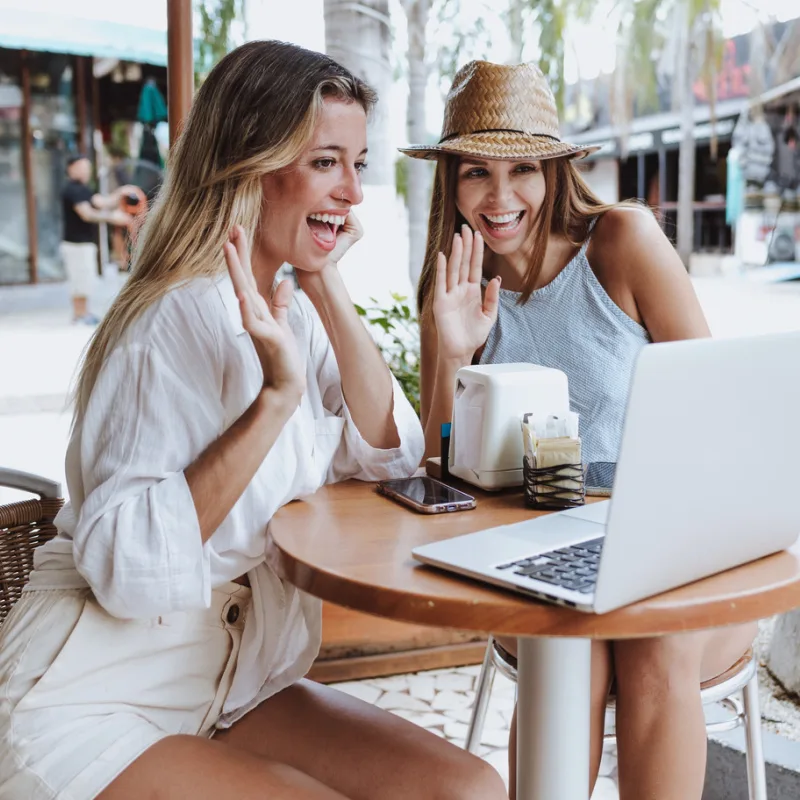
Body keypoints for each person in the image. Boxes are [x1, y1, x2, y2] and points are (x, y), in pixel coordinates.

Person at [0, 42, 507, 800]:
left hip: (232, 682)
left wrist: (324, 281)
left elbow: (392, 454)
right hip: (97, 699)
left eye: (358, 164)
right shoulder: (167, 323)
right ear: (253, 162)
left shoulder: (293, 312)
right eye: (327, 162)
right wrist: (275, 400)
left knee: (464, 789)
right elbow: (128, 573)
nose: (353, 192)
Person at [403, 59, 757, 800]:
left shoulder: (621, 241)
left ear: (554, 172)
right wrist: (453, 350)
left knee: (650, 647)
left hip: (675, 551)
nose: (498, 199)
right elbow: (442, 475)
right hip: (542, 559)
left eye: (522, 170)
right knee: (571, 654)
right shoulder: (454, 284)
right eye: (475, 173)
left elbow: (718, 408)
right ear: (452, 183)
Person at [60, 154, 133, 323]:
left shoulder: (84, 189)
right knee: (79, 280)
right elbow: (87, 214)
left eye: (87, 167)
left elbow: (102, 202)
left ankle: (83, 312)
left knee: (85, 279)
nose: (86, 171)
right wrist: (112, 218)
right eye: (82, 167)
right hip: (75, 244)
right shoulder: (73, 189)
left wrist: (121, 192)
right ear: (71, 169)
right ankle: (80, 314)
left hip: (83, 243)